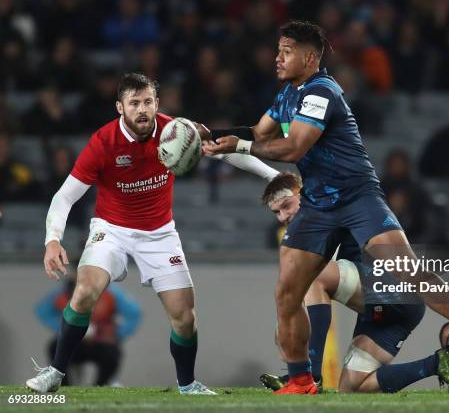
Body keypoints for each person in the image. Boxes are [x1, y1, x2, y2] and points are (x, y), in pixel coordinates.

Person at [205, 20, 449, 395]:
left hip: (356, 195)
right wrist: (214, 136)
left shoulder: (321, 91)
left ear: (310, 57)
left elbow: (293, 147)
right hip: (317, 203)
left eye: (286, 51)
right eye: (278, 50)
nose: (277, 58)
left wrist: (238, 146)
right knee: (287, 292)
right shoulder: (286, 96)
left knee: (405, 268)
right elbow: (259, 132)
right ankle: (300, 379)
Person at [26, 72, 278, 395]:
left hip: (159, 233)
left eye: (147, 102)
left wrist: (275, 179)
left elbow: (230, 152)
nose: (142, 110)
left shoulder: (177, 131)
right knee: (85, 289)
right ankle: (55, 372)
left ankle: (187, 385)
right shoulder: (103, 143)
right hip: (111, 229)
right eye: (134, 103)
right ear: (120, 107)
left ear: (157, 103)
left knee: (185, 316)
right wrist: (52, 241)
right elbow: (65, 197)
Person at [259, 172, 449, 393]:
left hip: (392, 285)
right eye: (276, 212)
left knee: (310, 277)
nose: (282, 217)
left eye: (286, 206)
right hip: (392, 310)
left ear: (303, 193)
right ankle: (438, 364)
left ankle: (310, 377)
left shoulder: (327, 206)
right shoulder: (306, 224)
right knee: (352, 389)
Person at [35, 272, 141, 386]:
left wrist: (117, 333)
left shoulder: (111, 292)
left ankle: (101, 386)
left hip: (100, 342)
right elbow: (43, 311)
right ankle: (63, 385)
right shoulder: (62, 292)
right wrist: (63, 328)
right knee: (54, 347)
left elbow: (134, 313)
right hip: (72, 342)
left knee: (112, 353)